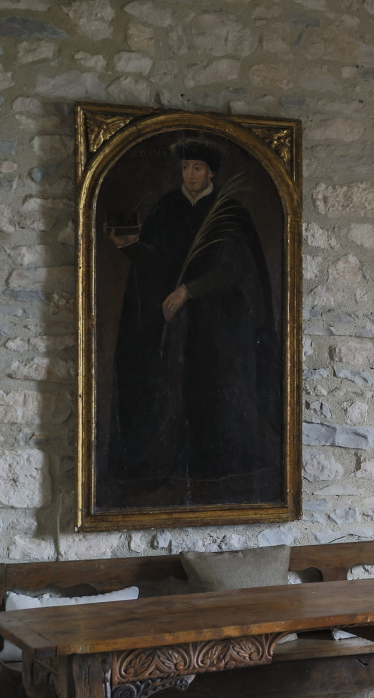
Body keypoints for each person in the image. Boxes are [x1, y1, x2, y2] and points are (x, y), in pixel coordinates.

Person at [104, 137, 282, 506]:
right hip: (178, 321)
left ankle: (217, 472)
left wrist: (189, 290)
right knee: (173, 386)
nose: (190, 174)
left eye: (197, 168)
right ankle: (171, 468)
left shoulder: (229, 212)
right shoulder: (166, 207)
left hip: (221, 322)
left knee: (214, 386)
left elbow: (234, 267)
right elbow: (158, 264)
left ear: (211, 172)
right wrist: (129, 246)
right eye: (185, 167)